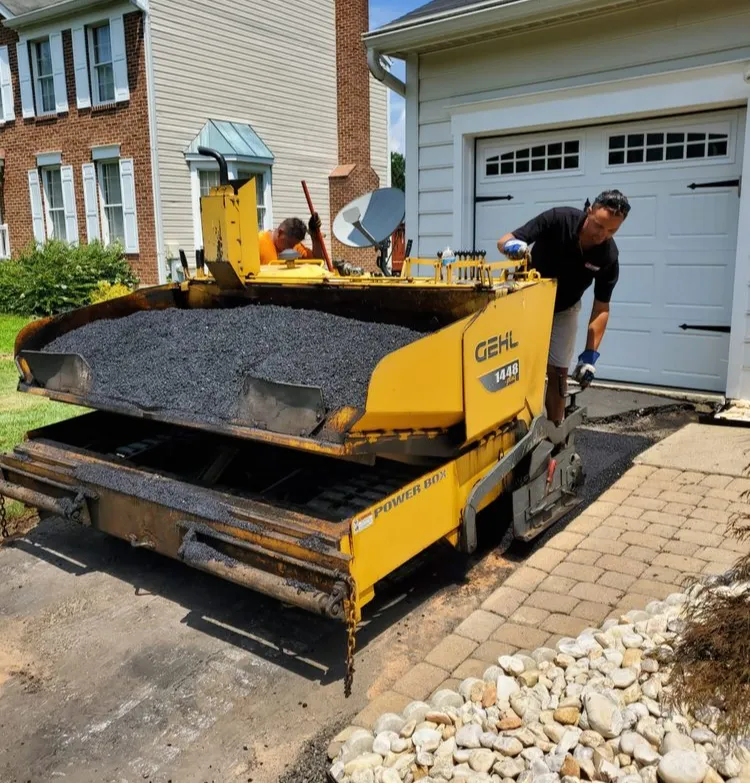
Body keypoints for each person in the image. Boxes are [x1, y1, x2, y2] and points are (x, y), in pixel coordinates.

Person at [497, 189, 631, 425]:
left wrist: (590, 355)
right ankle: (511, 425)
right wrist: (512, 247)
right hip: (526, 305)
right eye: (599, 225)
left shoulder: (608, 256)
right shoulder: (558, 219)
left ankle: (555, 430)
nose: (603, 234)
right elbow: (504, 239)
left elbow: (601, 308)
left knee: (558, 371)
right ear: (589, 211)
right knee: (516, 367)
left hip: (564, 309)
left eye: (612, 230)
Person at [258, 214, 325, 264]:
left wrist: (315, 236)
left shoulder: (295, 247)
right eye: (289, 244)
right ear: (280, 233)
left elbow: (317, 262)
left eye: (294, 244)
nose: (291, 248)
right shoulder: (258, 242)